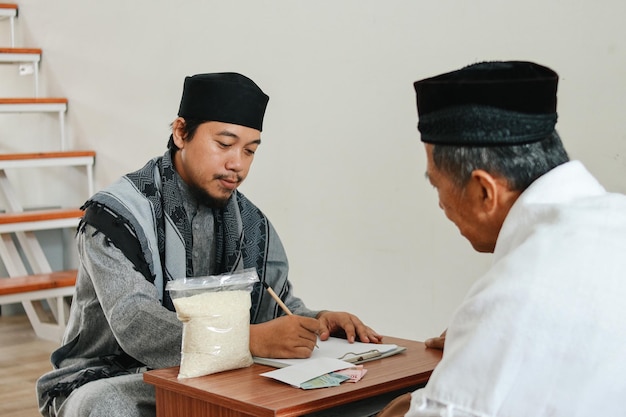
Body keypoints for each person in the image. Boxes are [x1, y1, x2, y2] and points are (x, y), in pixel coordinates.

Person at [36, 72, 382, 417]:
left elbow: (274, 305)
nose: (238, 164)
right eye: (224, 144)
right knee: (101, 405)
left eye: (249, 151)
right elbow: (136, 325)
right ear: (181, 132)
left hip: (222, 373)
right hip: (122, 374)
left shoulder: (251, 222)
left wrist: (318, 321)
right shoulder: (116, 216)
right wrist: (250, 340)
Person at [378, 61, 626, 417]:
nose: (441, 205)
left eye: (436, 184)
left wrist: (484, 337)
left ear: (484, 191)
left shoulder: (513, 297)